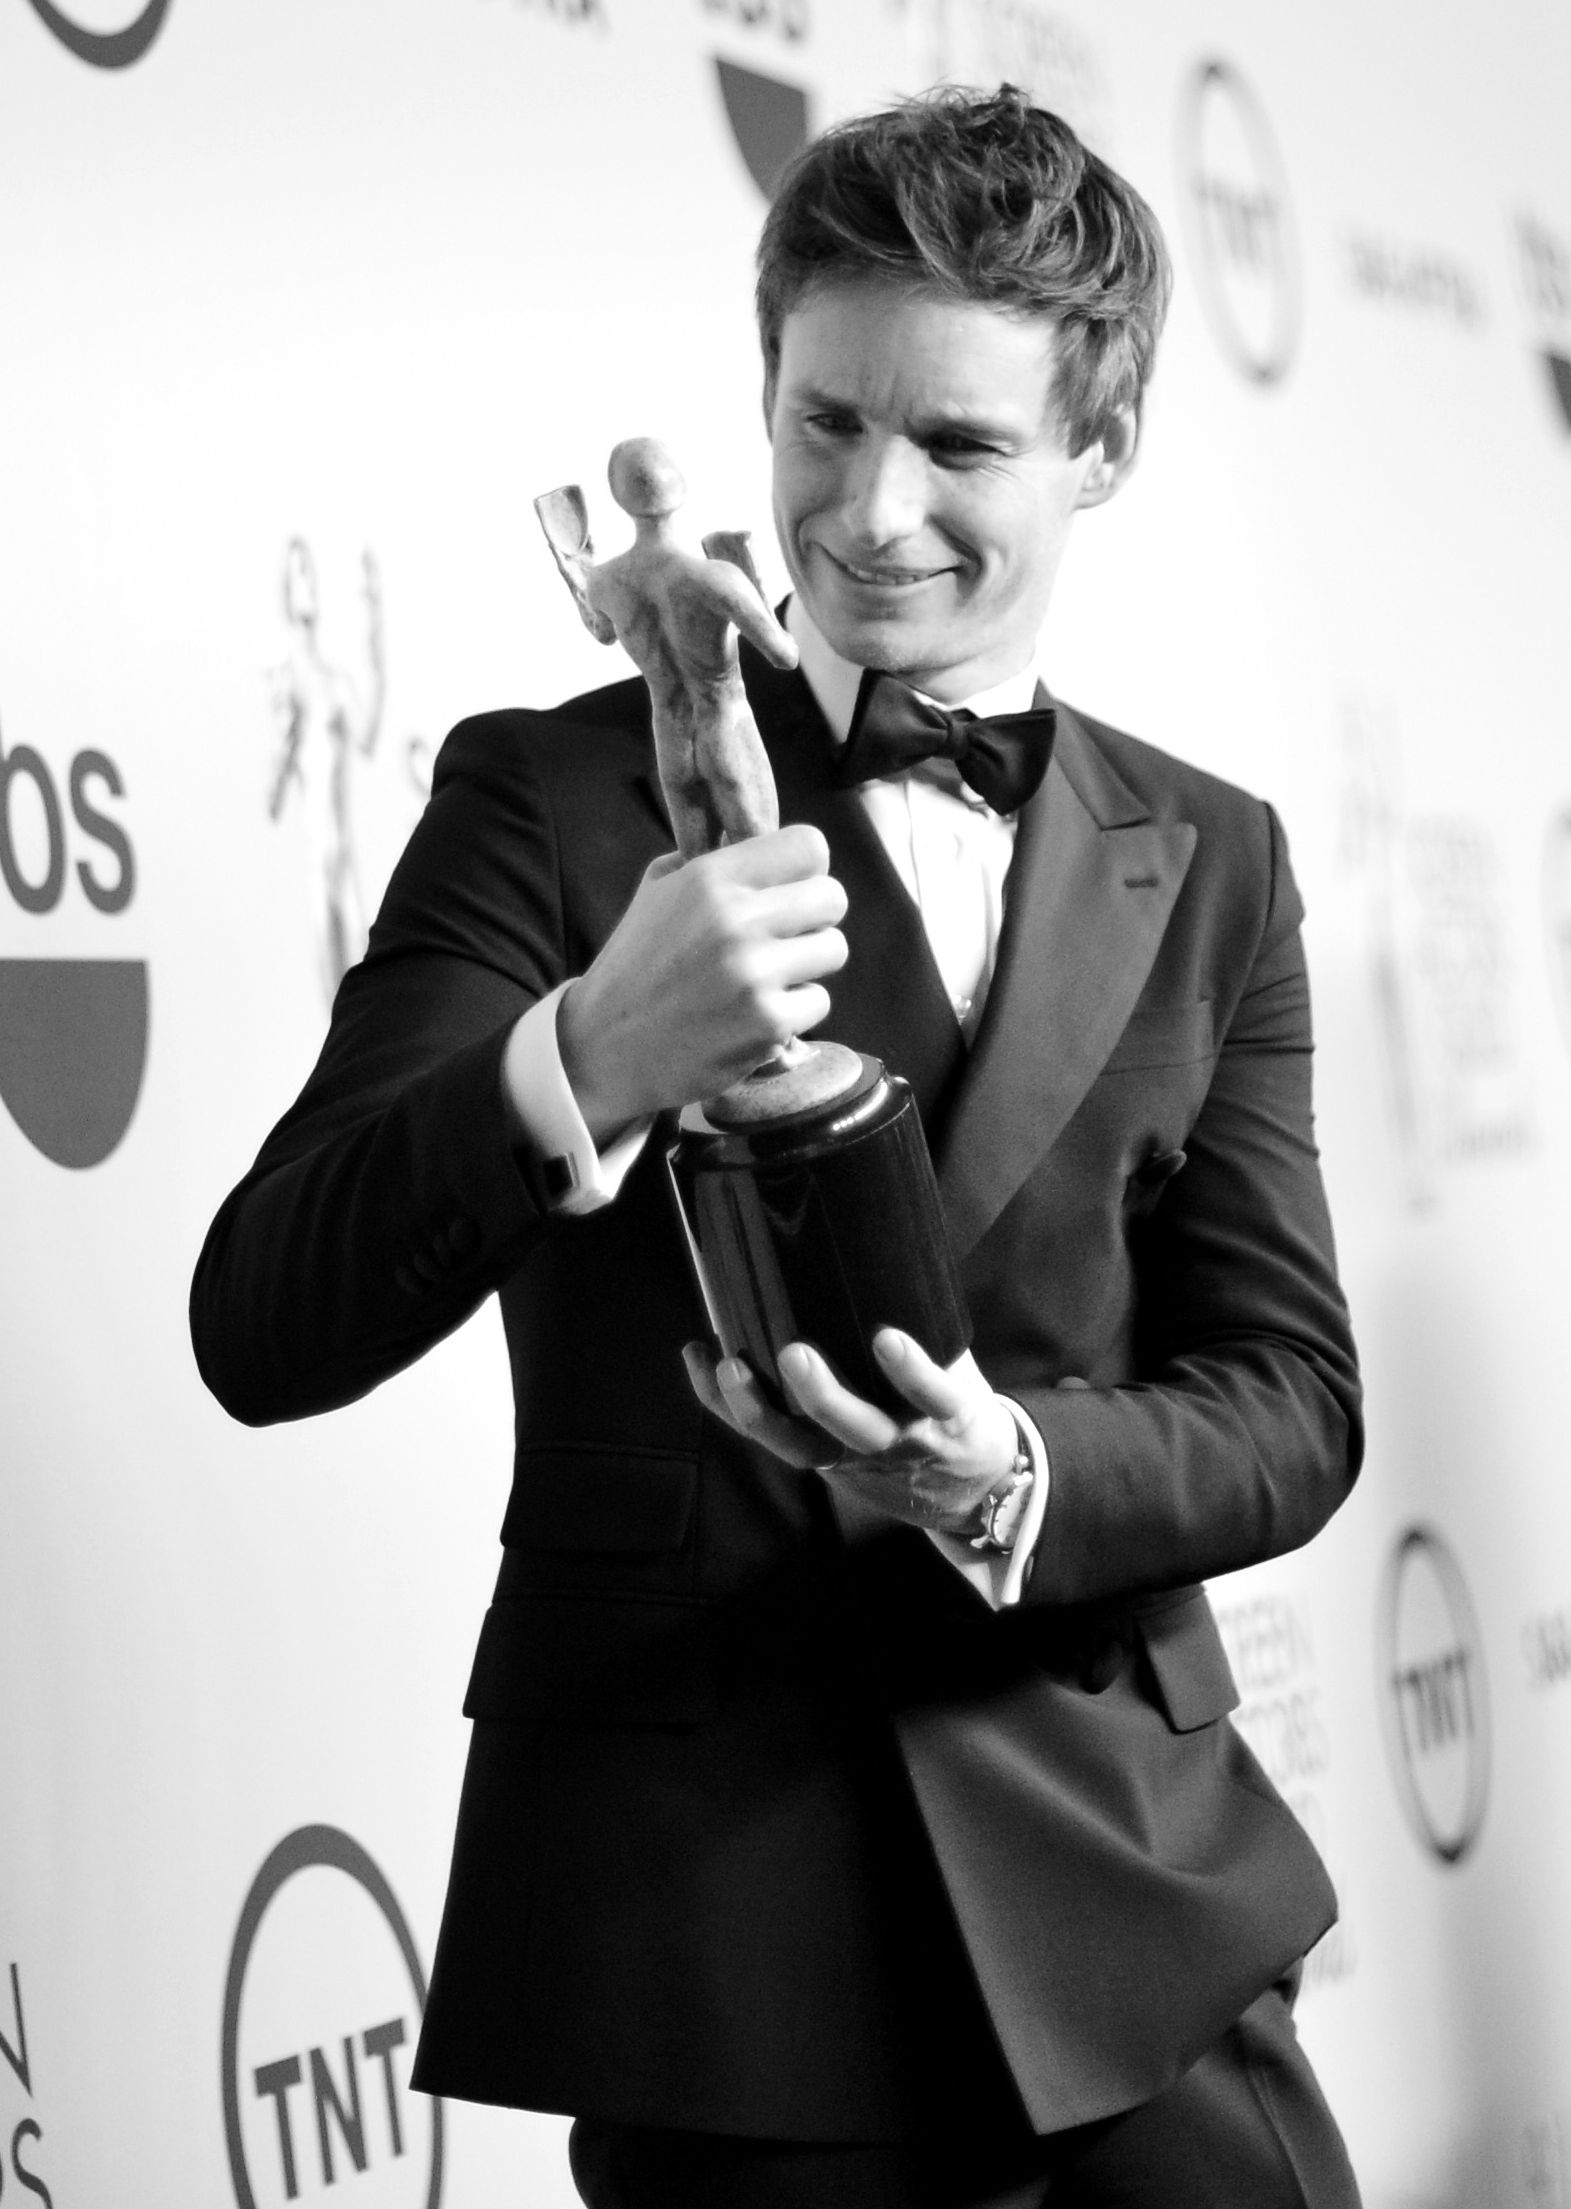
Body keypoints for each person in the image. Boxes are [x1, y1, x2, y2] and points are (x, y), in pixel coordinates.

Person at [192, 86, 1364, 2209]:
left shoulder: (1216, 856)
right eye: (823, 423)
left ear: (1102, 450)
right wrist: (583, 1056)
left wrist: (1013, 1474)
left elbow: (1290, 1405)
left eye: (964, 445)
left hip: (1143, 1907)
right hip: (727, 1957)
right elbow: (263, 1312)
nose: (872, 507)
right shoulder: (553, 801)